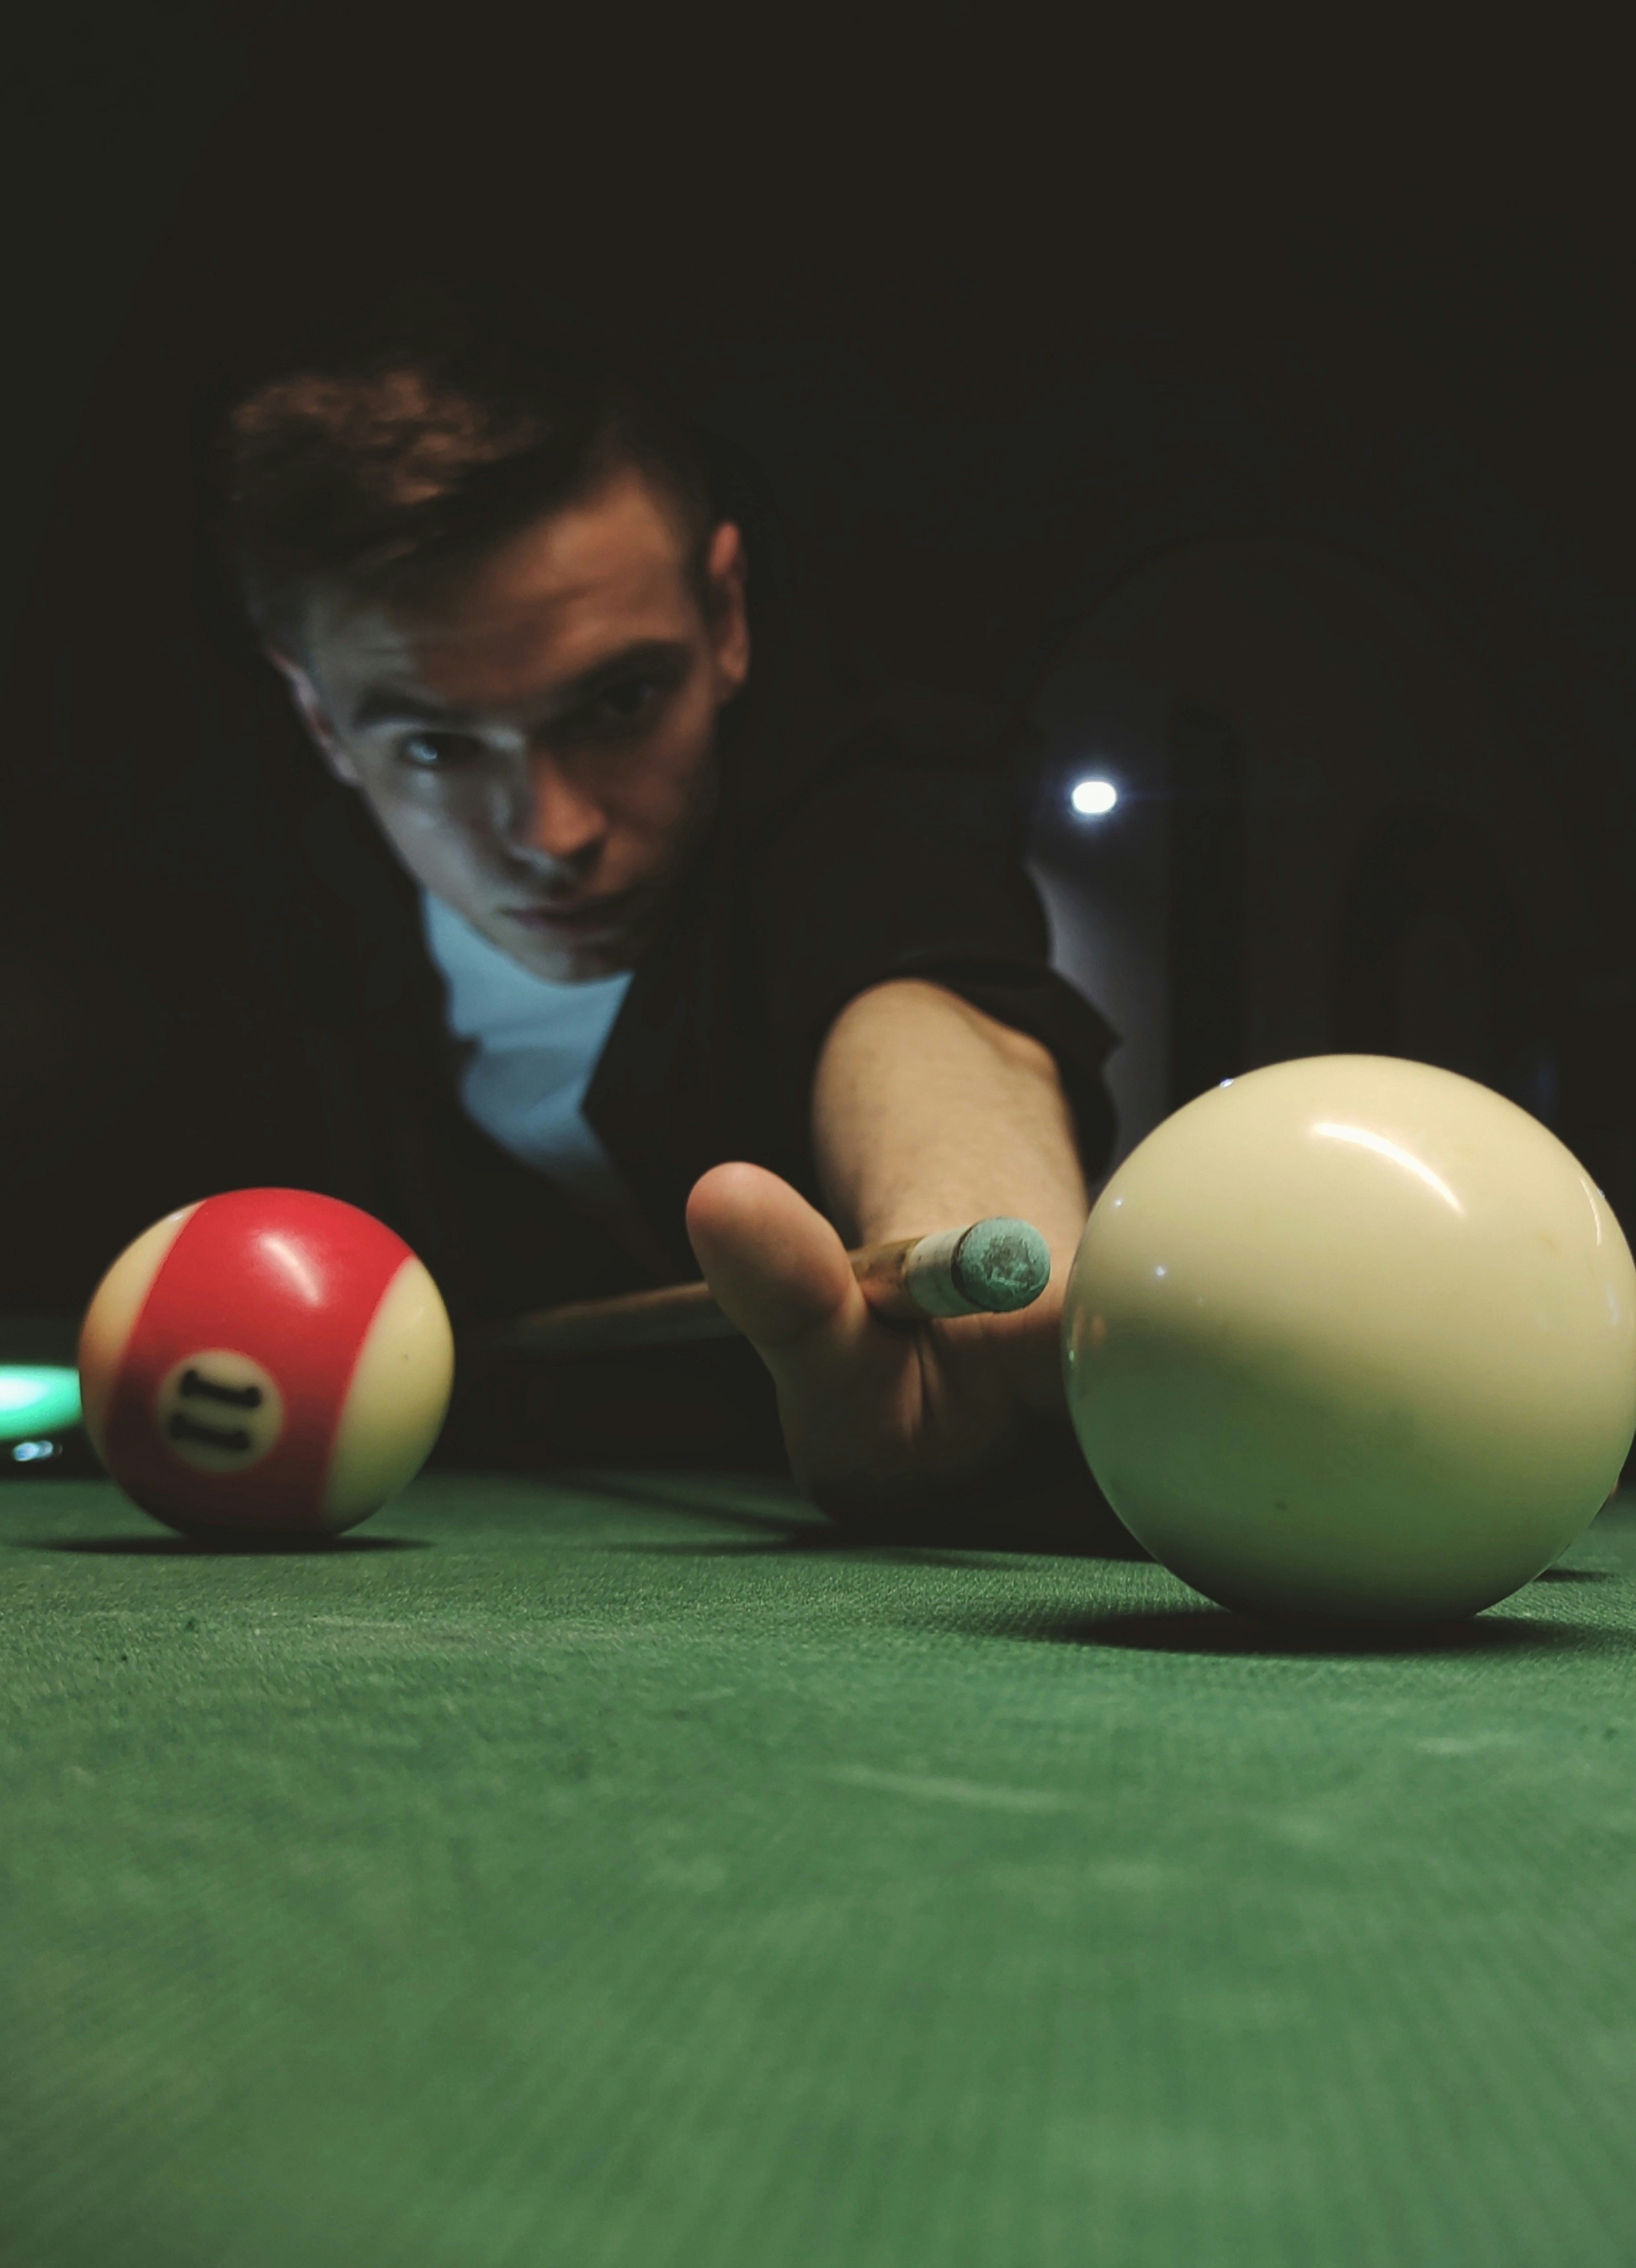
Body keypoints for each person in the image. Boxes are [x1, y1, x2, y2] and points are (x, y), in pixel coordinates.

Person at [211, 284, 1117, 1525]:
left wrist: (988, 1250)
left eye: (620, 704)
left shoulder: (850, 809)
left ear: (727, 618)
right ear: (319, 718)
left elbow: (925, 983)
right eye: (435, 748)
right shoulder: (253, 944)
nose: (554, 833)